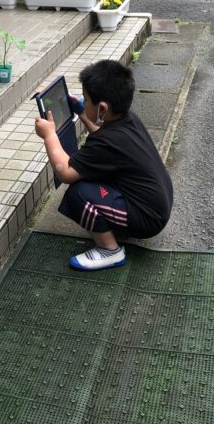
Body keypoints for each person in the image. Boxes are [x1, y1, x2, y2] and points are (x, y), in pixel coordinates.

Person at [34, 60, 173, 270]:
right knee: (91, 177)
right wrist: (82, 112)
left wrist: (49, 135)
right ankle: (115, 224)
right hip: (157, 202)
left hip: (148, 217)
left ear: (102, 108)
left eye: (86, 100)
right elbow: (102, 135)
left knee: (78, 193)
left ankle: (110, 251)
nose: (84, 101)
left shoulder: (108, 142)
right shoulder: (126, 119)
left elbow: (65, 172)